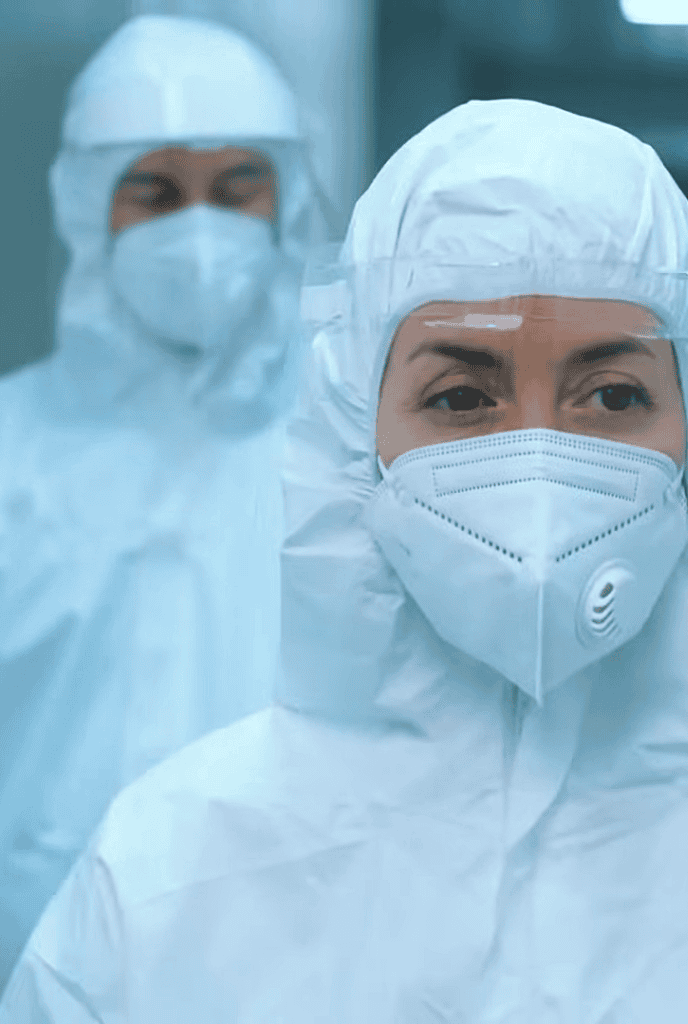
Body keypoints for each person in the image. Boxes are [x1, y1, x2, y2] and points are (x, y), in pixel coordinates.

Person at [4, 99, 688, 1022]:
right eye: (459, 398)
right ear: (353, 433)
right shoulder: (166, 877)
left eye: (612, 393)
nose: (537, 469)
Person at [0, 14, 318, 985]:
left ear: (285, 203)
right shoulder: (11, 445)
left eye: (235, 188)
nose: (199, 229)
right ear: (89, 206)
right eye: (155, 191)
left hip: (295, 958)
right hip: (33, 951)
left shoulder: (345, 449)